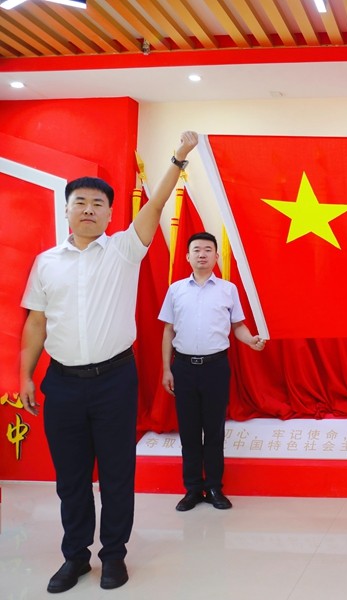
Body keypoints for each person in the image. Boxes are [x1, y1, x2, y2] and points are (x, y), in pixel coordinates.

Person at [19, 131, 199, 593]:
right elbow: (36, 322)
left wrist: (178, 158)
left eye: (98, 204)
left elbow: (156, 206)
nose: (88, 210)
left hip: (114, 380)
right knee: (71, 478)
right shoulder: (46, 263)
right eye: (80, 202)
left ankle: (114, 556)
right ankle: (75, 557)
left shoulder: (123, 249)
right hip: (62, 383)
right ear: (66, 210)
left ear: (109, 213)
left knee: (118, 474)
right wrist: (25, 375)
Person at [159, 231, 265, 513]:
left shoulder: (228, 289)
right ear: (187, 256)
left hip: (216, 367)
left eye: (208, 250)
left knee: (214, 430)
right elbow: (168, 330)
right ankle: (193, 488)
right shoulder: (176, 290)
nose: (202, 254)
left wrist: (251, 340)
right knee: (189, 431)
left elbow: (238, 326)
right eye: (196, 250)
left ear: (217, 256)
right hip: (183, 367)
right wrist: (166, 369)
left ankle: (215, 487)